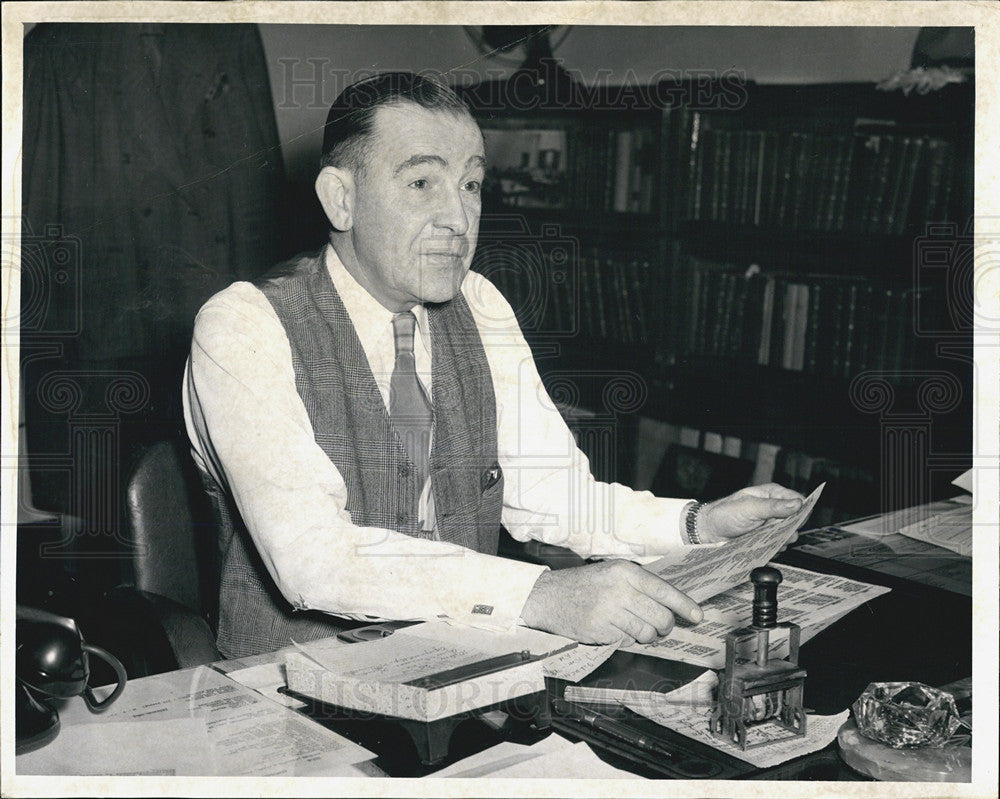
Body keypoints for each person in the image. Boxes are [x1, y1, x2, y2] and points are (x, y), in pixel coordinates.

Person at [184, 72, 805, 659]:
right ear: (340, 199)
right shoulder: (245, 325)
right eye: (422, 183)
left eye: (472, 184)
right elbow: (315, 561)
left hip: (461, 669)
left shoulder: (478, 305)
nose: (458, 218)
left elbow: (555, 496)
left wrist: (699, 523)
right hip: (291, 696)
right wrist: (539, 595)